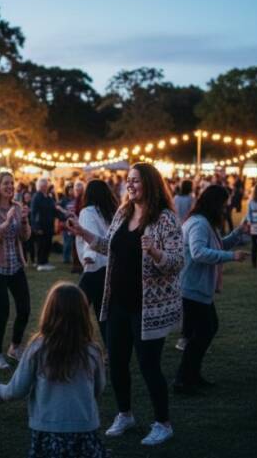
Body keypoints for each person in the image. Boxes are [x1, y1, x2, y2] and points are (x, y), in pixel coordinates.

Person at [66, 162, 184, 446]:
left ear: (151, 184)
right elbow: (109, 246)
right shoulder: (123, 212)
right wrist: (82, 233)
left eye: (136, 181)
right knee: (117, 362)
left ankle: (163, 423)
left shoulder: (165, 219)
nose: (129, 185)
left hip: (148, 307)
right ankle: (125, 414)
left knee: (148, 365)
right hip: (117, 302)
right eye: (128, 181)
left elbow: (178, 261)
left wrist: (156, 253)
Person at [0, 282, 108, 458]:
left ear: (49, 312)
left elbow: (16, 390)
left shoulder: (38, 347)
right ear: (83, 314)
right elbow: (99, 388)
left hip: (47, 430)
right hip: (84, 429)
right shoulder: (92, 350)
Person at [173, 185, 249, 393]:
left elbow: (216, 246)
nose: (225, 208)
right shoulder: (198, 223)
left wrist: (237, 233)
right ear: (215, 203)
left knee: (205, 330)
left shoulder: (205, 222)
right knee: (203, 332)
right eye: (223, 204)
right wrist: (232, 256)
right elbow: (198, 253)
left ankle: (191, 376)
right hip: (192, 288)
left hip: (198, 288)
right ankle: (184, 379)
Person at [0, 171, 32, 369]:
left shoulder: (17, 207)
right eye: (5, 184)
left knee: (25, 308)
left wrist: (24, 221)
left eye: (11, 183)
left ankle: (15, 347)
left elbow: (25, 237)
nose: (10, 187)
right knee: (3, 310)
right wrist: (7, 222)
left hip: (15, 264)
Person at [76, 180, 119, 346]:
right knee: (103, 313)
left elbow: (90, 236)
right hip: (110, 267)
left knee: (74, 310)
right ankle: (110, 350)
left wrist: (89, 256)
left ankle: (71, 345)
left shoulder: (88, 212)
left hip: (94, 267)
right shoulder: (112, 211)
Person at [30, 177, 58, 271]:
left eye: (46, 185)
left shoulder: (49, 196)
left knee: (48, 244)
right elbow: (33, 213)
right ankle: (41, 263)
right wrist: (36, 227)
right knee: (41, 245)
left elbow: (54, 209)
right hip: (40, 226)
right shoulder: (36, 197)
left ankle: (45, 261)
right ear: (39, 186)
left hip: (49, 225)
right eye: (43, 185)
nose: (45, 187)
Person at [20, 191, 36, 266]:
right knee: (24, 245)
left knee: (31, 245)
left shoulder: (33, 205)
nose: (27, 198)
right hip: (23, 228)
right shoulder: (20, 205)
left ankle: (33, 261)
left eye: (28, 197)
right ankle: (24, 260)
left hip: (31, 227)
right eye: (26, 197)